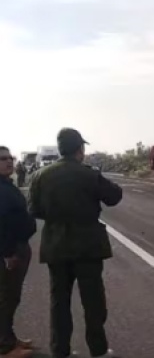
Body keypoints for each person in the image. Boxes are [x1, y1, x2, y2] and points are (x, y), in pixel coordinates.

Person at [27, 128, 123, 358]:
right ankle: (98, 350)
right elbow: (114, 196)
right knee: (93, 303)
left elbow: (34, 210)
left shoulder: (40, 175)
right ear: (80, 149)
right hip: (88, 247)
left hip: (56, 246)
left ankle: (60, 351)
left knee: (59, 302)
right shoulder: (88, 174)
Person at [0, 146, 37, 358]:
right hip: (10, 251)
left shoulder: (6, 184)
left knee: (11, 297)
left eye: (10, 158)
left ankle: (9, 337)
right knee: (6, 298)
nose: (8, 162)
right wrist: (8, 253)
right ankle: (5, 347)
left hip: (17, 247)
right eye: (2, 159)